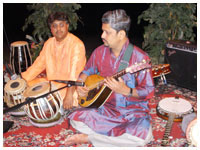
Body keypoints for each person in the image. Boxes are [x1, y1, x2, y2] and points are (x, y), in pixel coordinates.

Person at [65, 9, 155, 147]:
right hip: (104, 108)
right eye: (102, 31)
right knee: (75, 119)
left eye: (107, 32)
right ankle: (110, 139)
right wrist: (80, 85)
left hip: (131, 112)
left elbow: (148, 91)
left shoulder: (140, 58)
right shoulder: (99, 52)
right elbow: (87, 71)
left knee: (144, 137)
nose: (102, 35)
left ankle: (90, 138)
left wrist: (127, 91)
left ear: (121, 34)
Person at [21, 12, 86, 109]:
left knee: (49, 96)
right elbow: (38, 65)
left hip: (69, 87)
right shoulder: (49, 43)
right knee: (27, 87)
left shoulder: (76, 44)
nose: (58, 29)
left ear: (67, 26)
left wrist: (69, 95)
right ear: (51, 29)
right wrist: (23, 80)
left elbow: (75, 74)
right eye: (54, 26)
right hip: (51, 84)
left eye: (61, 25)